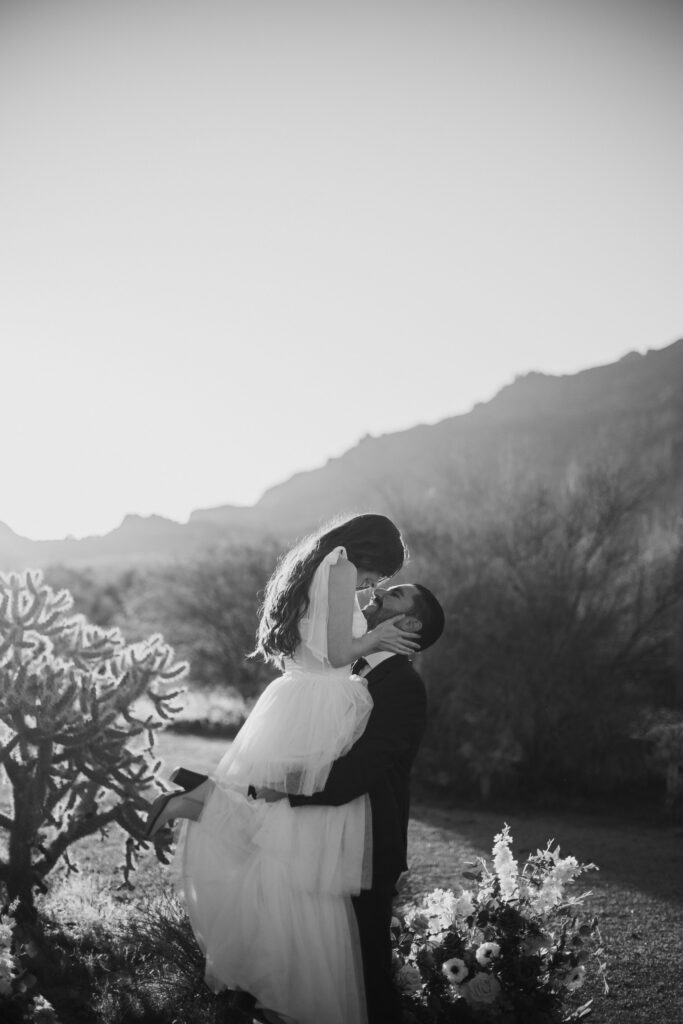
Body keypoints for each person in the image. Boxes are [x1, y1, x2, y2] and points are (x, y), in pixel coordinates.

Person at [144, 513, 420, 1024]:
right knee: (301, 851)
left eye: (383, 586)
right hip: (323, 706)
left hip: (303, 700)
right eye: (380, 575)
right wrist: (375, 639)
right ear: (369, 551)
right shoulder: (339, 568)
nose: (374, 587)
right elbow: (339, 651)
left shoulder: (319, 564)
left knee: (282, 839)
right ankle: (287, 993)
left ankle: (200, 804)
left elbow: (323, 648)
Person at [286, 581, 445, 1023]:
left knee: (364, 974)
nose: (377, 592)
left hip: (366, 847)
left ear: (409, 622)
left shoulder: (402, 686)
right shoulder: (345, 666)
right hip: (322, 835)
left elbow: (364, 769)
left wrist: (290, 787)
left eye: (392, 595)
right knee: (317, 965)